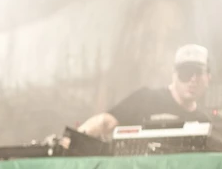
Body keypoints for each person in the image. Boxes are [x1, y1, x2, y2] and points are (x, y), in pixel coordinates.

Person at [77, 44, 213, 140]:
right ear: (174, 75)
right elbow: (105, 122)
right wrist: (71, 141)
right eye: (186, 73)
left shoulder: (203, 121)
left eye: (198, 73)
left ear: (208, 78)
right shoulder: (146, 99)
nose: (192, 80)